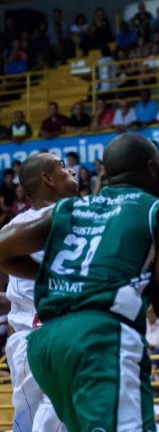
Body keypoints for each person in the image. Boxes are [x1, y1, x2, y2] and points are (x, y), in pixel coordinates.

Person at [0, 134, 159, 431]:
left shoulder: (73, 208)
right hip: (100, 338)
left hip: (46, 345)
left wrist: (51, 276)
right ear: (152, 168)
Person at [0, 153, 79, 432]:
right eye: (62, 167)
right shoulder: (24, 226)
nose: (72, 171)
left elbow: (14, 292)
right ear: (47, 179)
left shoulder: (79, 217)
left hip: (53, 335)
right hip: (40, 335)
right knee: (43, 422)